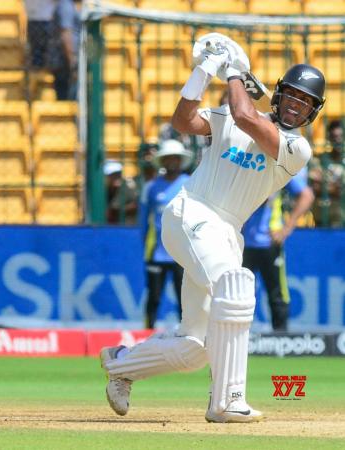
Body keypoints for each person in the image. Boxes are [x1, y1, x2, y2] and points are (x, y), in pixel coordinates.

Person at [99, 31, 324, 423]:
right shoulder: (230, 117)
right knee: (235, 288)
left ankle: (121, 364)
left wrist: (234, 72)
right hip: (191, 213)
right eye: (292, 96)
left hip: (226, 233)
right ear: (278, 94)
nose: (295, 106)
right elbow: (183, 120)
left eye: (305, 103)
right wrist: (204, 72)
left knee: (195, 348)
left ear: (311, 113)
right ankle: (227, 400)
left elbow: (246, 116)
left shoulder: (297, 149)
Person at [242, 168, 314, 332]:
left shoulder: (277, 171)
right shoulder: (244, 168)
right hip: (242, 242)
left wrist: (287, 228)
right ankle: (239, 339)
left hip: (269, 243)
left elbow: (307, 195)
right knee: (239, 293)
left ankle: (281, 340)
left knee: (277, 293)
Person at [138, 140, 192, 329]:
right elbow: (144, 220)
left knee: (184, 299)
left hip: (182, 253)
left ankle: (187, 337)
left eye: (175, 159)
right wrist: (147, 243)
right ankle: (146, 334)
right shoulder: (151, 187)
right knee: (153, 296)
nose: (172, 162)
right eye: (168, 158)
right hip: (157, 252)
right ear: (162, 161)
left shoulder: (190, 185)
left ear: (181, 161)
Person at [309, 120, 345, 227]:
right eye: (334, 136)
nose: (337, 140)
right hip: (319, 217)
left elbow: (341, 190)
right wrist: (334, 187)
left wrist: (323, 183)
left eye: (340, 136)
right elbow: (313, 185)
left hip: (340, 218)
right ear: (329, 138)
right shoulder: (321, 159)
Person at [48, 0, 82, 100]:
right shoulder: (65, 6)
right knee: (68, 97)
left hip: (70, 59)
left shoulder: (73, 5)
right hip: (65, 61)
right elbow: (66, 35)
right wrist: (73, 61)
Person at [104, 159, 138, 224]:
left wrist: (117, 210)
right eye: (112, 174)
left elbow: (136, 205)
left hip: (128, 225)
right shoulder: (104, 189)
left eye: (118, 173)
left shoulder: (129, 186)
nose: (116, 177)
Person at [24, 0, 56, 69]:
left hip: (34, 19)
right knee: (45, 49)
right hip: (45, 19)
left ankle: (39, 68)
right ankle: (43, 69)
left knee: (37, 50)